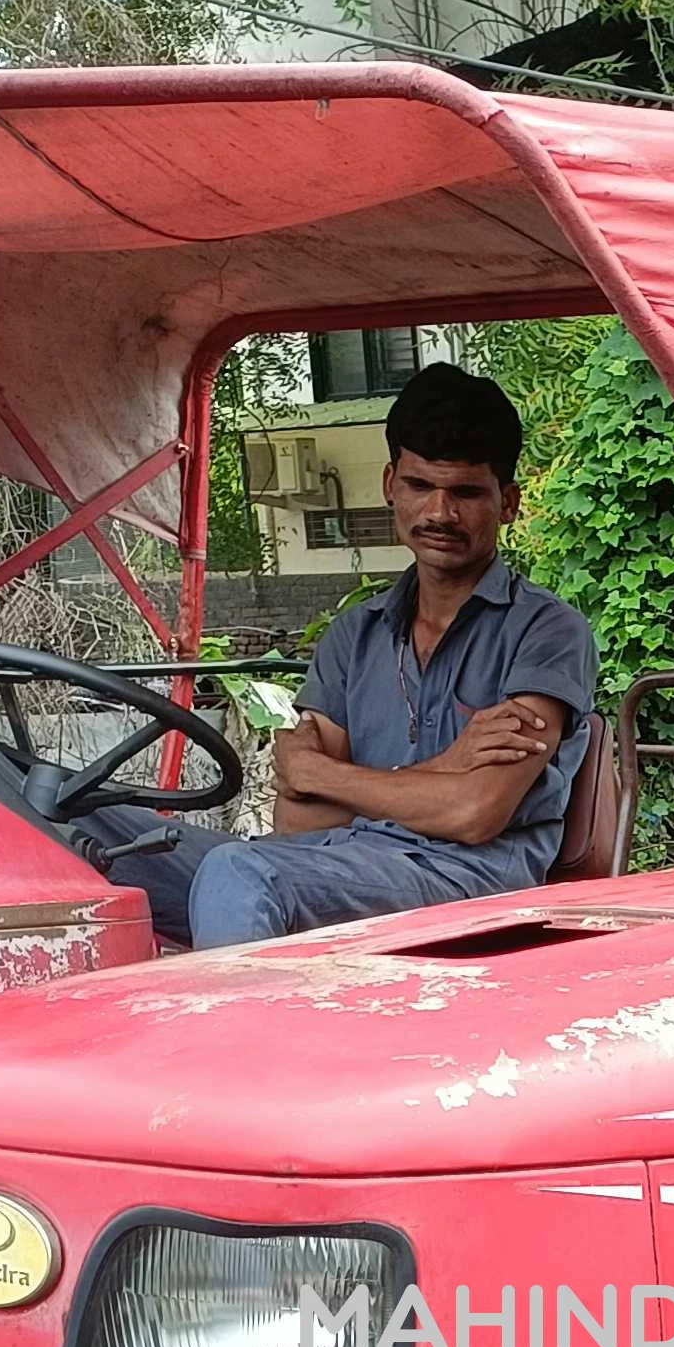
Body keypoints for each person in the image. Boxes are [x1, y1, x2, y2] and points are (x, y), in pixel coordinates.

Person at [93, 364, 601, 946]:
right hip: (333, 860)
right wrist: (446, 768)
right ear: (389, 483)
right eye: (418, 486)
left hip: (469, 882)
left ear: (506, 502)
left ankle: (237, 1039)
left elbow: (475, 814)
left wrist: (328, 775)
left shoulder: (547, 631)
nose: (438, 513)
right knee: (92, 833)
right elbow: (299, 818)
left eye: (465, 492)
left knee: (241, 871)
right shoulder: (355, 633)